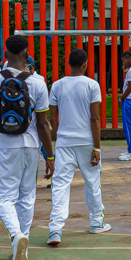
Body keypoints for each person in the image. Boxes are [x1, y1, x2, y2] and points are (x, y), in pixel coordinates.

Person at [0, 35, 54, 260]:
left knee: (3, 198)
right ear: (26, 53)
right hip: (31, 145)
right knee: (27, 196)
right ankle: (23, 245)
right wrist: (49, 156)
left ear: (5, 51)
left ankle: (15, 236)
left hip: (5, 145)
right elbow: (43, 123)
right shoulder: (39, 82)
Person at [46, 49, 111, 245]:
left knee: (60, 186)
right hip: (87, 142)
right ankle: (96, 223)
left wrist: (59, 137)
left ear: (68, 63)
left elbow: (52, 117)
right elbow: (95, 118)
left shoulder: (57, 85)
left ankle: (55, 229)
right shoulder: (92, 85)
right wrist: (97, 148)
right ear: (85, 65)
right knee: (93, 183)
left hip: (65, 143)